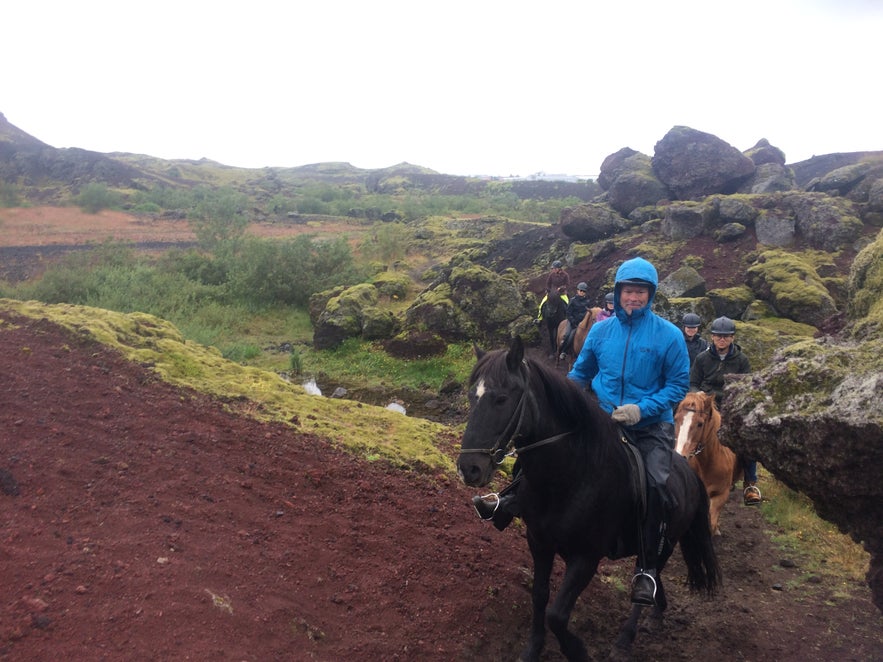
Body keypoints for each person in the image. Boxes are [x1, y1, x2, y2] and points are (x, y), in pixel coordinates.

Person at [474, 257, 689, 608]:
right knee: (542, 454)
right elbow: (579, 375)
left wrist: (642, 409)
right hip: (600, 419)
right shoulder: (601, 332)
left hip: (649, 425)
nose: (633, 298)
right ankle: (508, 499)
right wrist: (561, 404)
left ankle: (647, 568)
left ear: (650, 295)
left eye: (640, 292)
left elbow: (678, 384)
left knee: (657, 485)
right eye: (628, 291)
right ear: (618, 293)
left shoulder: (669, 335)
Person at [689, 316, 759, 506]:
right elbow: (693, 382)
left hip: (730, 407)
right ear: (712, 337)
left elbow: (746, 385)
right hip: (707, 407)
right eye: (718, 336)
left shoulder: (741, 360)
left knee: (748, 439)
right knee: (685, 429)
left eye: (726, 336)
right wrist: (699, 394)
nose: (722, 339)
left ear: (732, 338)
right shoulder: (702, 358)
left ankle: (750, 484)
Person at [559, 282, 592, 359]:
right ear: (577, 291)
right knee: (569, 335)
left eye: (583, 291)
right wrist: (573, 321)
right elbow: (568, 312)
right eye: (580, 290)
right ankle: (564, 351)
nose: (582, 292)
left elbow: (589, 312)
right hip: (573, 322)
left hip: (583, 322)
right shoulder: (572, 300)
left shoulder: (588, 301)